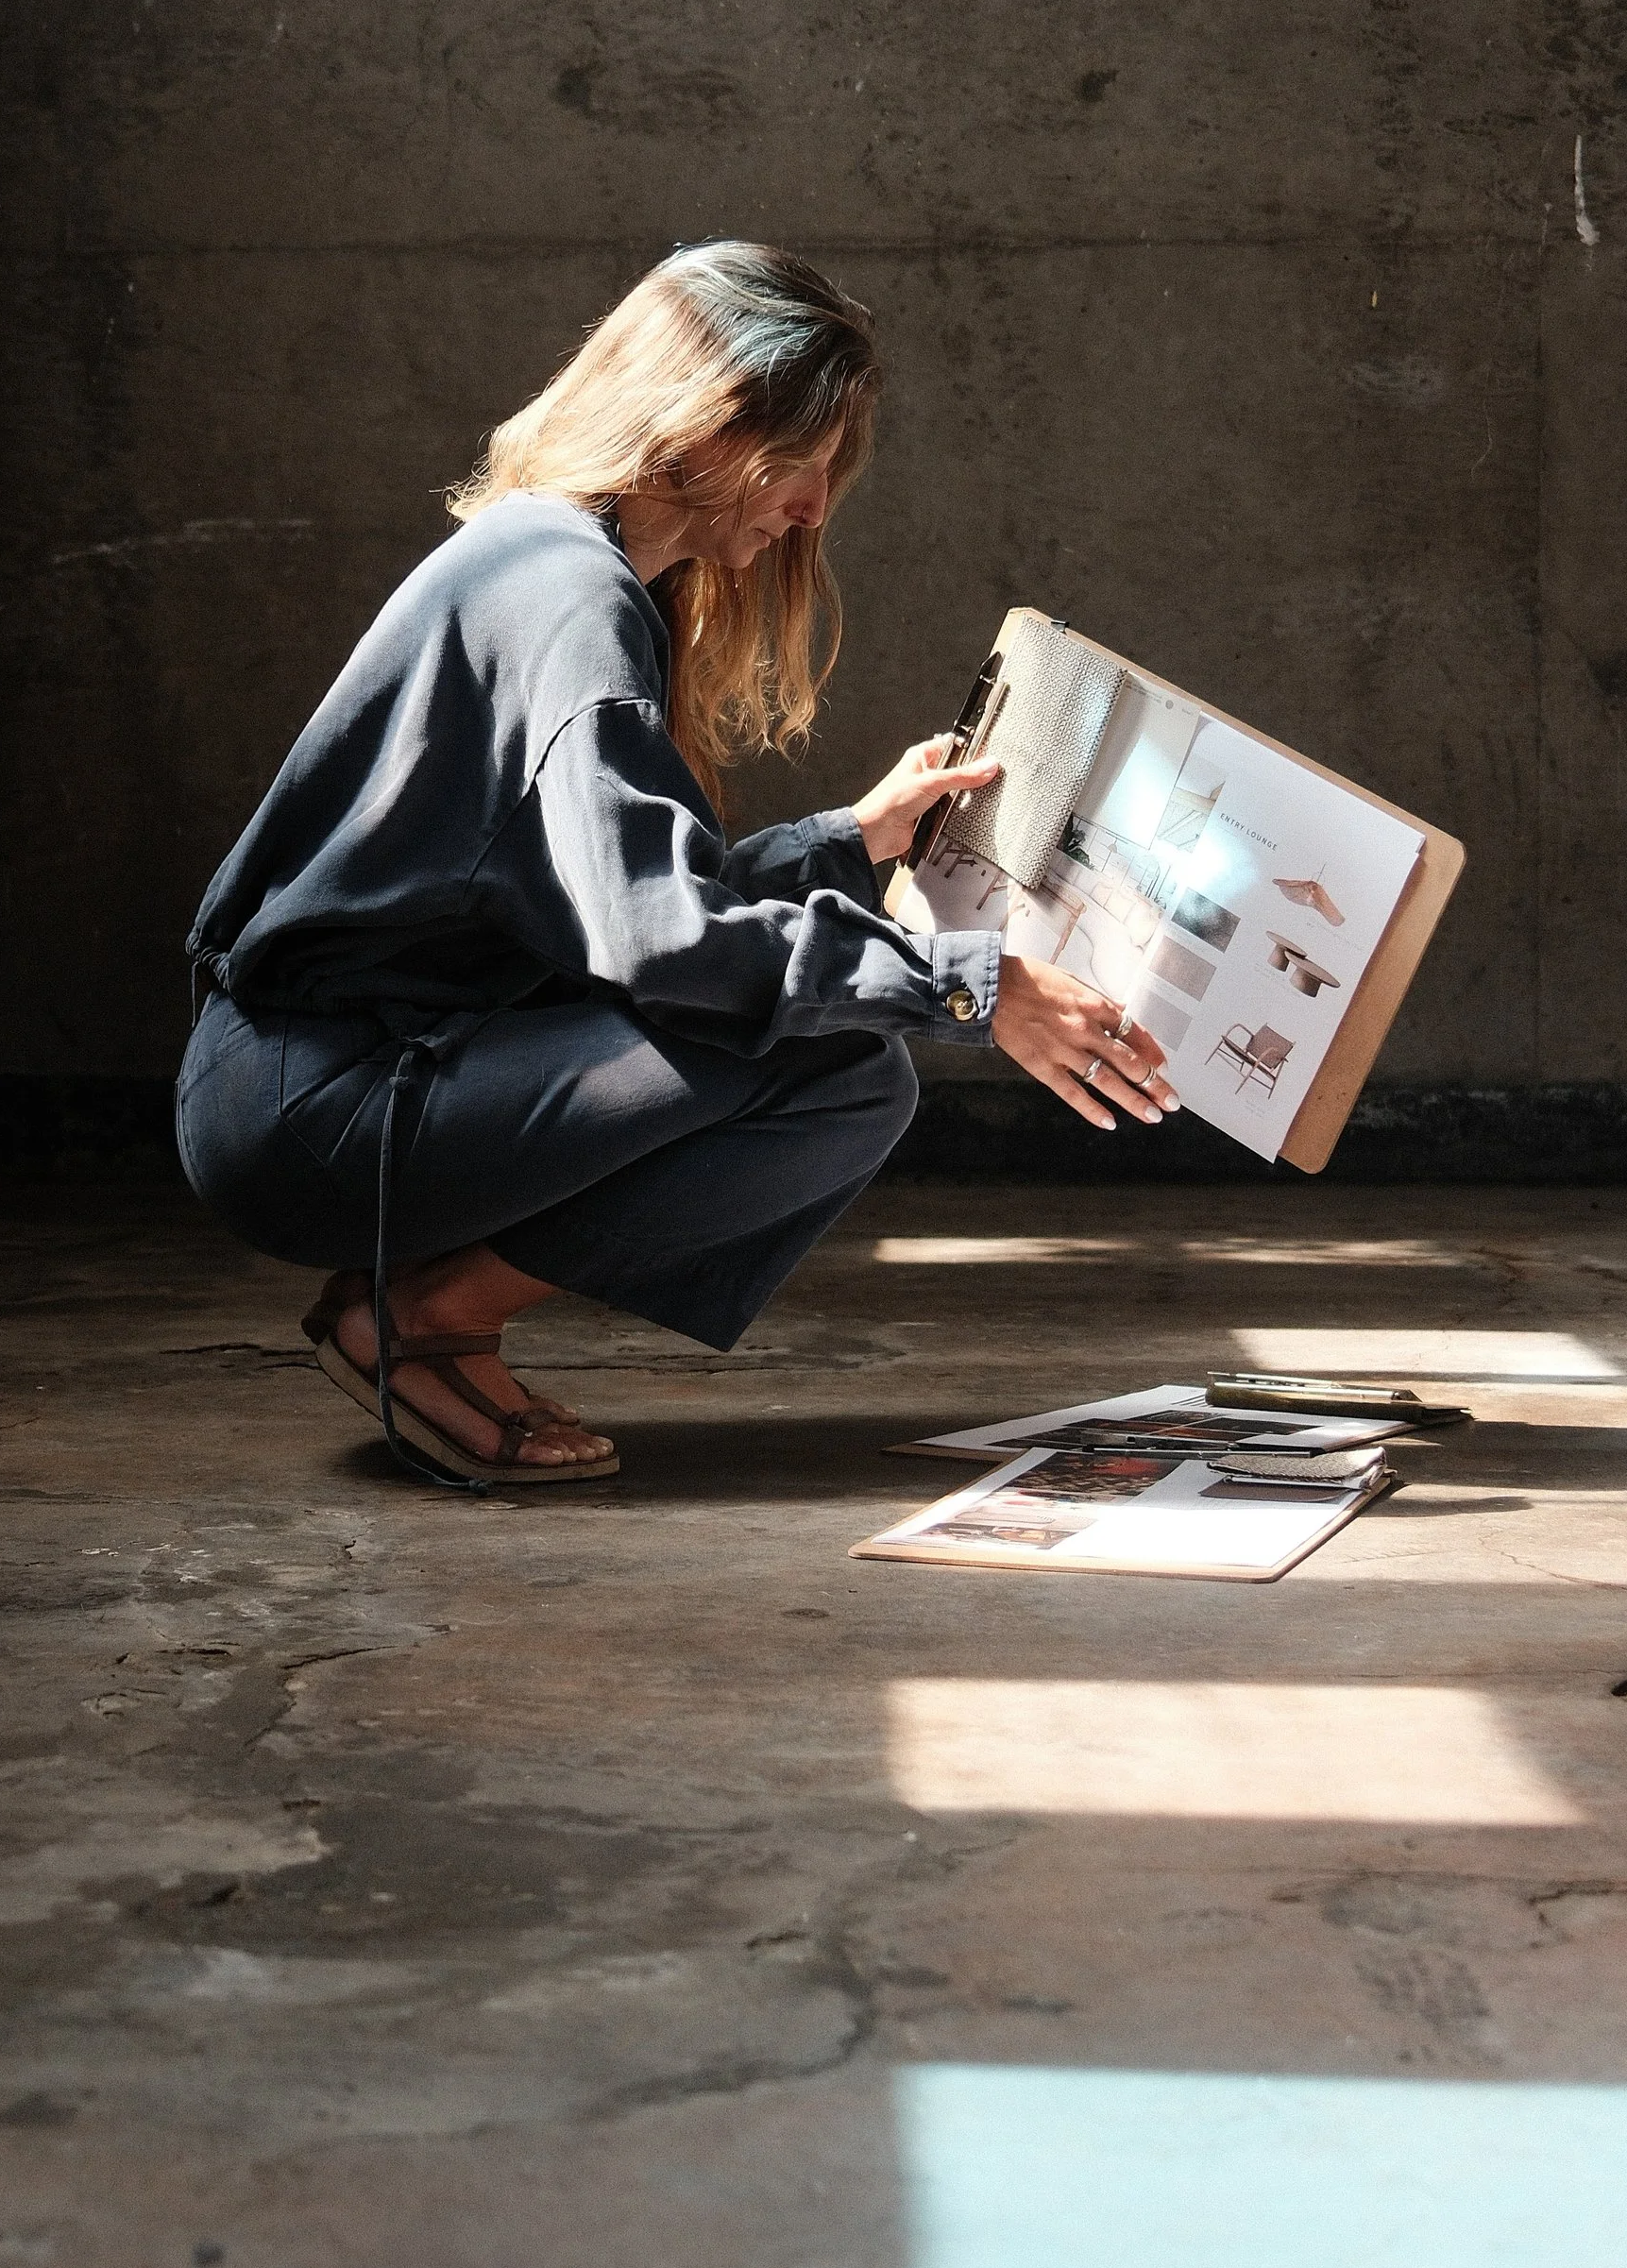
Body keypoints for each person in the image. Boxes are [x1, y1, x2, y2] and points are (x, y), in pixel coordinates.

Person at [177, 242, 1177, 1485]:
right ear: (700, 423)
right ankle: (421, 1317)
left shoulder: (560, 566)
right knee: (838, 1058)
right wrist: (973, 984)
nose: (814, 506)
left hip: (331, 1073)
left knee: (840, 1056)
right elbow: (662, 944)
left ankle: (426, 1306)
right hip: (317, 1111)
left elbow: (616, 913)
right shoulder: (573, 599)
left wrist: (852, 839)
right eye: (801, 460)